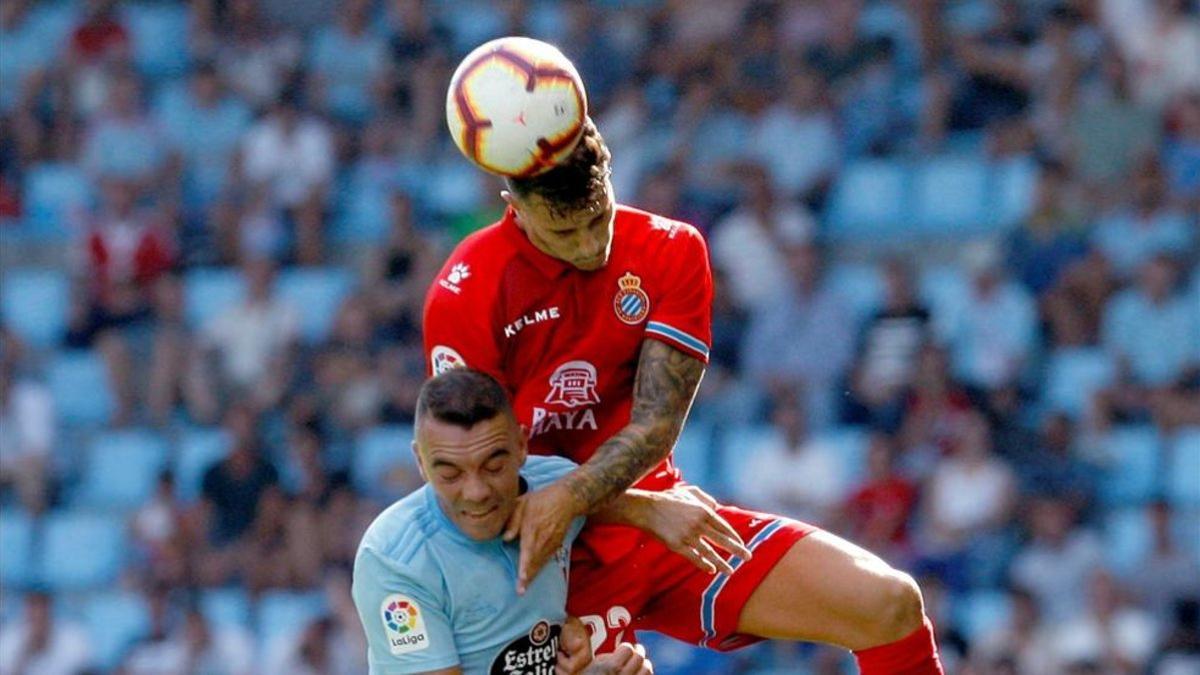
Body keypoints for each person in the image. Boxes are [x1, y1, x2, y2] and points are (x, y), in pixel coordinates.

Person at [423, 117, 943, 672]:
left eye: (598, 219)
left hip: (665, 533)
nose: (591, 245)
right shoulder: (467, 292)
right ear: (515, 208)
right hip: (539, 565)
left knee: (888, 603)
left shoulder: (670, 249)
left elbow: (654, 426)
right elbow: (475, 492)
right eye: (565, 233)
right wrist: (641, 510)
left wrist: (619, 508)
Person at [353, 368, 741, 673]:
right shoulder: (394, 559)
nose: (476, 492)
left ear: (522, 446)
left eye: (494, 466)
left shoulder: (554, 486)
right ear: (420, 462)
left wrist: (652, 508)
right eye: (450, 474)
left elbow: (588, 500)